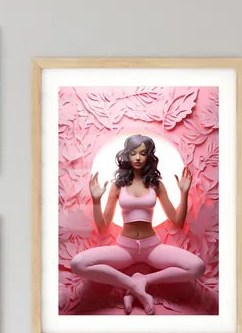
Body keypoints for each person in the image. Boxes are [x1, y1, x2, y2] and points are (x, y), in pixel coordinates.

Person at [69, 134, 205, 315]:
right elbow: (103, 227)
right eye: (133, 153)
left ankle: (144, 280)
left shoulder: (156, 185)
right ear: (127, 155)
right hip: (125, 248)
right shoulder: (118, 185)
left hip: (152, 247)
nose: (138, 157)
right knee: (78, 263)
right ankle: (133, 284)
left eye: (142, 153)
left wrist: (184, 193)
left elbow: (177, 221)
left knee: (197, 267)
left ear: (149, 156)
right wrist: (96, 201)